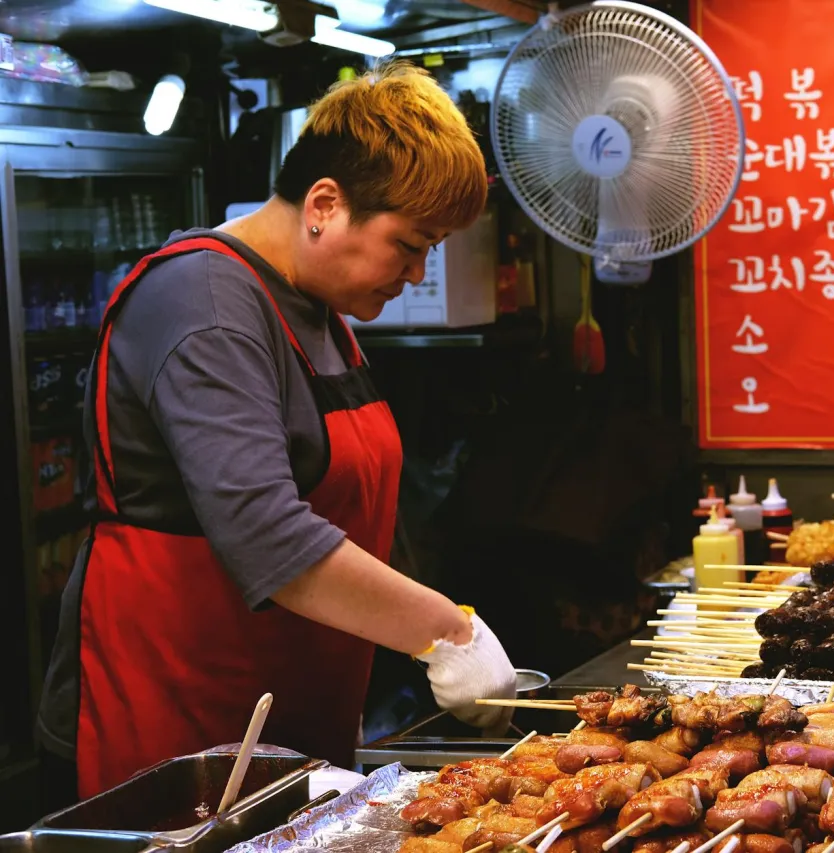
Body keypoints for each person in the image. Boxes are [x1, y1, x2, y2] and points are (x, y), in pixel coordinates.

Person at [36, 62, 517, 801]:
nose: (418, 270)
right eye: (410, 243)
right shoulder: (206, 301)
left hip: (285, 724)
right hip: (174, 732)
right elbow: (267, 534)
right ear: (324, 203)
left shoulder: (318, 305)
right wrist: (448, 631)